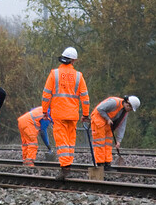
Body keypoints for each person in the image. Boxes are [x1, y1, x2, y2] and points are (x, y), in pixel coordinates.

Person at [42, 47, 90, 180]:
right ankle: (68, 165)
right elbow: (85, 97)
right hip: (73, 115)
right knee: (70, 142)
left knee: (62, 142)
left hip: (59, 114)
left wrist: (45, 111)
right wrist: (85, 115)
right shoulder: (79, 76)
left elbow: (46, 95)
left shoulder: (54, 74)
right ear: (74, 60)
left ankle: (65, 168)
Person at [89, 95, 140, 167]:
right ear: (127, 104)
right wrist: (107, 118)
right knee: (100, 143)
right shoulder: (114, 102)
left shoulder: (124, 112)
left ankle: (107, 163)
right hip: (98, 120)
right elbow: (100, 109)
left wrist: (119, 141)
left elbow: (122, 126)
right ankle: (100, 163)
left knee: (108, 143)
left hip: (108, 123)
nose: (129, 110)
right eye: (130, 108)